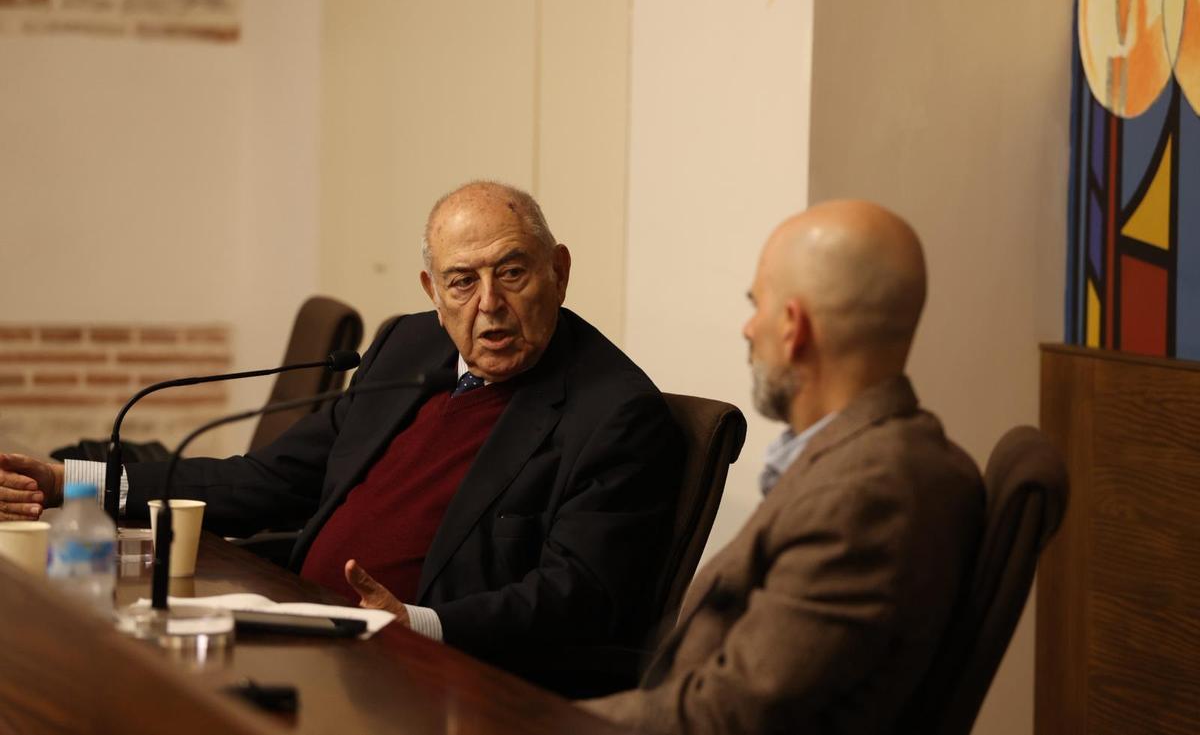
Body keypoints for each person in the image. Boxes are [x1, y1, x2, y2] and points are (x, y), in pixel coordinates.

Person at [0, 181, 684, 693]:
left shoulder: (614, 412)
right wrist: (73, 483)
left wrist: (416, 622)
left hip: (436, 680)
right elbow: (266, 479)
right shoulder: (408, 347)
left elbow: (577, 599)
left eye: (511, 272)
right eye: (462, 281)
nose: (490, 305)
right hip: (302, 632)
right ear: (432, 290)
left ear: (558, 271)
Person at [580, 200, 984, 733]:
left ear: (793, 328)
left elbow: (726, 715)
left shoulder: (866, 495)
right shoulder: (876, 458)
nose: (749, 329)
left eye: (758, 305)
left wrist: (530, 719)